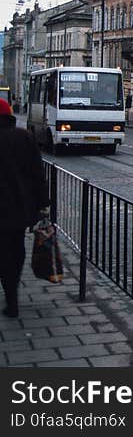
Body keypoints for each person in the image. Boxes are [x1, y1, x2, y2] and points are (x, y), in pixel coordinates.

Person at [0, 98, 50, 317]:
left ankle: (8, 288)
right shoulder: (24, 137)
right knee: (15, 248)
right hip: (19, 208)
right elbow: (37, 174)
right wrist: (43, 204)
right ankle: (12, 292)